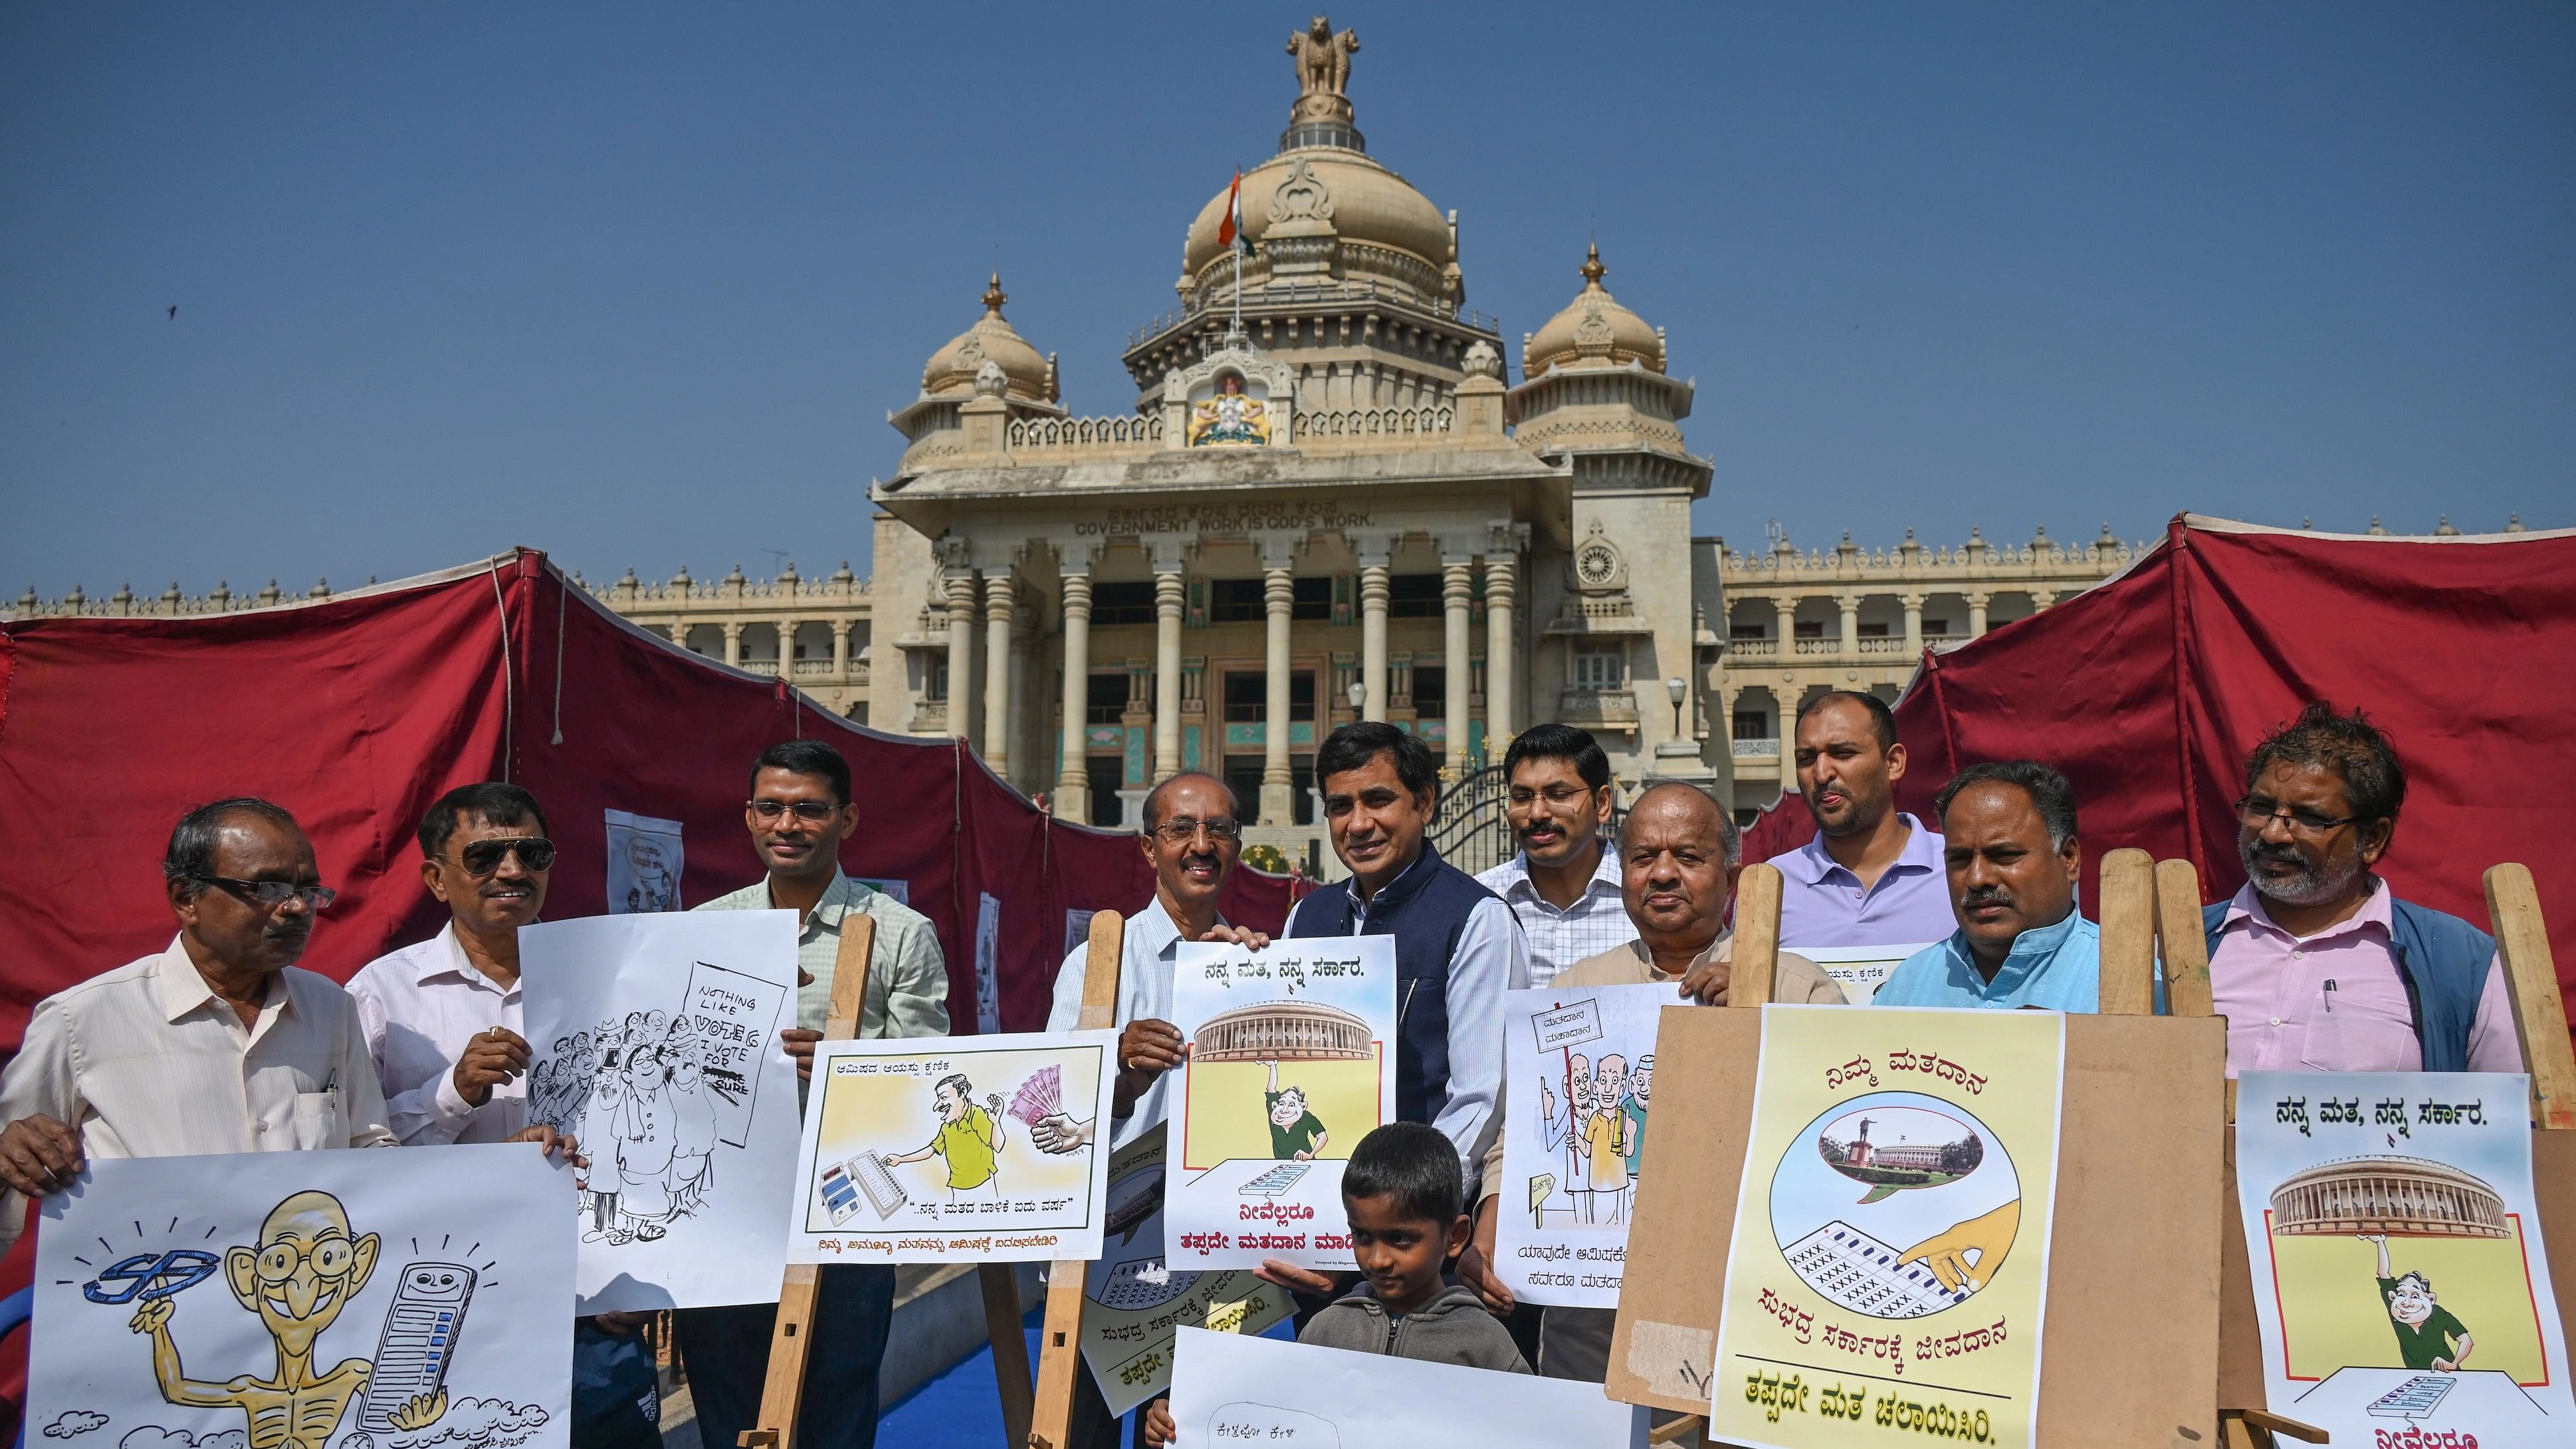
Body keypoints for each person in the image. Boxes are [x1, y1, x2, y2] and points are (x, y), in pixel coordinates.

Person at [1459, 782, 1843, 1381]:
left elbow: (1829, 1133)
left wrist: (1759, 1023)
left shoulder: (1795, 988)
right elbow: (1527, 1136)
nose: (1663, 874)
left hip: (1738, 1303)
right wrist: (1492, 1228)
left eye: (1688, 857)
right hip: (1592, 1321)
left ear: (1731, 875)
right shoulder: (1574, 991)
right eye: (1644, 858)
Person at [676, 740, 952, 1449]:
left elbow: (932, 1078)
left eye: (809, 809)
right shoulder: (705, 928)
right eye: (771, 807)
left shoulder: (900, 933)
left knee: (837, 1398)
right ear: (748, 816)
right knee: (727, 1398)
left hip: (847, 1206)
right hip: (727, 1206)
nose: (787, 824)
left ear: (847, 819)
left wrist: (847, 1063)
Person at [0, 799, 401, 1253]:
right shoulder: (83, 1019)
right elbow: (14, 1158)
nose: (295, 907)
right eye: (267, 888)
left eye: (308, 890)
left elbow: (370, 1148)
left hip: (299, 1291)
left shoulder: (331, 1008)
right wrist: (9, 1154)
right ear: (186, 898)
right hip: (153, 1296)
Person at [1267, 723, 1527, 1313]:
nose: (1358, 824)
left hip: (1417, 1256)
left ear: (1425, 802)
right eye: (1340, 806)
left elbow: (1481, 1099)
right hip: (1313, 1238)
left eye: (1378, 800)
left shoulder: (1477, 919)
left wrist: (1397, 1220)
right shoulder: (1306, 917)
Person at [1043, 770, 1267, 1449]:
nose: (1202, 845)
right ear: (1148, 848)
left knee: (1192, 1433)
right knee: (1084, 1431)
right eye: (1181, 830)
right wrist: (1117, 1070)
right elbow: (1049, 1122)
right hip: (1105, 1254)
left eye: (1220, 830)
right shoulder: (1097, 966)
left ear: (1237, 845)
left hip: (1215, 1257)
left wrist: (1267, 984)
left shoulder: (1255, 963)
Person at [1141, 1123, 1528, 1446]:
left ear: (1456, 1238)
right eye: (1362, 1236)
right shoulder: (1327, 1330)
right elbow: (1270, 1423)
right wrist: (1181, 1421)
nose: (1378, 1259)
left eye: (1402, 1240)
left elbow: (1534, 1431)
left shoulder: (1484, 1343)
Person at [2206, 703, 2522, 1076]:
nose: (2274, 833)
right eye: (2261, 807)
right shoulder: (2180, 948)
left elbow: (2510, 1121)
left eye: (2310, 818)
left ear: (2373, 838)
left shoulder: (2463, 964)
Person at [1874, 762, 2100, 1010]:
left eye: (2005, 855)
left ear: (2068, 858)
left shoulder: (2125, 981)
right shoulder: (1908, 988)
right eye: (1960, 859)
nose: (1977, 878)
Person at [1776, 692, 1955, 950]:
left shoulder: (1958, 869)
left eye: (1843, 753)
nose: (1822, 773)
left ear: (1893, 763)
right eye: (1806, 759)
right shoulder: (1774, 885)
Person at [1477, 724, 1628, 988]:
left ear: (1602, 804)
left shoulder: (1648, 899)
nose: (1537, 813)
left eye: (1559, 795)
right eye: (1521, 797)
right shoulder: (1479, 902)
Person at [886, 1072, 1006, 1202]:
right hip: (958, 1187)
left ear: (963, 1092)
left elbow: (998, 1146)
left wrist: (995, 1122)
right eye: (939, 1099)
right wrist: (901, 1159)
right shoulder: (947, 1126)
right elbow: (931, 1150)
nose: (938, 1105)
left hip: (984, 1185)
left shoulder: (977, 1115)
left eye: (944, 1098)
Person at [2365, 1235, 2474, 1371]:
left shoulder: (2438, 1314)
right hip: (2415, 1375)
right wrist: (2380, 1242)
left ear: (2430, 1299)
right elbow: (2383, 1273)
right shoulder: (2397, 1312)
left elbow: (2466, 1340)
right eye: (2402, 1294)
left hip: (2447, 1373)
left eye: (2415, 1295)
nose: (2407, 1302)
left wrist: (2453, 1363)